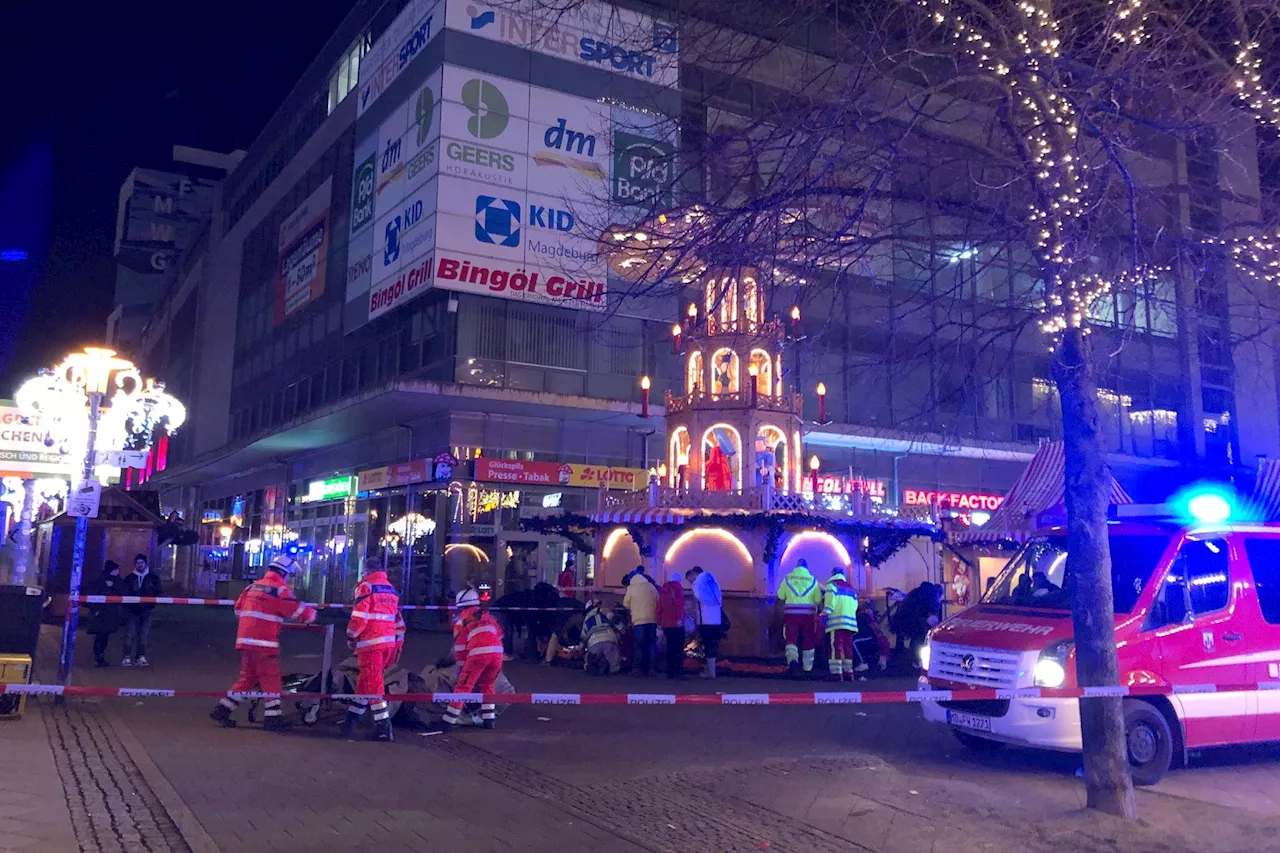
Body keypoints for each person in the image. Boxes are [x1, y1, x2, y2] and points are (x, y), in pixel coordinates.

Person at [210, 554, 317, 730]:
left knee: (248, 677)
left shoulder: (252, 587)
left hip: (245, 640)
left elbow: (238, 609)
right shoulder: (280, 590)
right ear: (284, 573)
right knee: (271, 679)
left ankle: (223, 709)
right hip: (264, 643)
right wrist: (313, 615)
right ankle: (273, 718)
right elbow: (302, 613)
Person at [340, 558, 402, 741]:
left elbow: (360, 616)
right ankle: (351, 720)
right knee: (366, 682)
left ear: (366, 571)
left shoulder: (366, 587)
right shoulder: (390, 588)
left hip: (370, 643)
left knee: (374, 685)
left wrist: (351, 635)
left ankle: (383, 727)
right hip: (387, 643)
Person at [442, 588, 504, 730]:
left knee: (463, 687)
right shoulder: (490, 618)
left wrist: (462, 669)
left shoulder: (462, 622)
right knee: (487, 685)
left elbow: (460, 649)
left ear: (460, 606)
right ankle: (489, 720)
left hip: (478, 655)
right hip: (497, 654)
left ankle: (448, 721)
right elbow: (499, 637)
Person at [775, 558, 822, 677]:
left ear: (796, 566)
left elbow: (780, 595)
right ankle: (807, 668)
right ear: (806, 568)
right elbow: (817, 600)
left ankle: (793, 662)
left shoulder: (788, 578)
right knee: (808, 639)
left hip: (791, 613)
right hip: (809, 614)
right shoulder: (813, 580)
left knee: (791, 638)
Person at [121, 554, 161, 667]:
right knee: (130, 633)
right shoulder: (130, 578)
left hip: (147, 610)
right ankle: (127, 657)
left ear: (145, 564)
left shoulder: (153, 578)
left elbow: (158, 590)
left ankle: (140, 656)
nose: (139, 565)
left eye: (141, 563)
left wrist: (148, 596)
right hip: (132, 610)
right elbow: (125, 591)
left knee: (143, 634)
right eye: (137, 563)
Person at [88, 560, 127, 667]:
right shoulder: (100, 581)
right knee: (100, 635)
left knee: (104, 636)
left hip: (110, 613)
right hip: (101, 613)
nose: (117, 571)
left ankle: (100, 656)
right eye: (116, 570)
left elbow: (124, 591)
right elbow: (94, 593)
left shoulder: (117, 581)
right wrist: (95, 609)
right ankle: (98, 657)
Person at [686, 566, 723, 679]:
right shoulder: (713, 580)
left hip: (706, 620)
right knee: (712, 645)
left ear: (693, 574)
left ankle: (710, 673)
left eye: (690, 579)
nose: (691, 582)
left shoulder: (698, 582)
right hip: (716, 619)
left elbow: (699, 597)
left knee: (708, 645)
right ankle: (712, 671)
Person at [823, 568, 859, 681]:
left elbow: (829, 605)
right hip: (850, 624)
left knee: (836, 647)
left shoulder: (832, 586)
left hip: (836, 623)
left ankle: (836, 674)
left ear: (832, 574)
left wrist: (823, 615)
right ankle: (849, 672)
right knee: (848, 648)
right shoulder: (851, 589)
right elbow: (855, 606)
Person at [623, 567, 659, 675]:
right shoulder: (650, 586)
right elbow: (657, 599)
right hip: (652, 620)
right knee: (651, 644)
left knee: (638, 645)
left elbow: (625, 603)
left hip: (638, 621)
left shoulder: (631, 588)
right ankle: (652, 669)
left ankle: (637, 669)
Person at [657, 570, 687, 679]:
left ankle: (669, 671)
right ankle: (678, 671)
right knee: (678, 648)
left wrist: (659, 622)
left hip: (666, 624)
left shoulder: (663, 590)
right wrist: (680, 619)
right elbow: (679, 605)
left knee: (669, 647)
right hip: (676, 623)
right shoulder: (677, 588)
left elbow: (659, 608)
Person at [582, 598, 622, 675]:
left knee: (589, 662)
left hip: (594, 643)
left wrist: (581, 649)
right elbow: (620, 626)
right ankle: (611, 666)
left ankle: (593, 667)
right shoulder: (607, 612)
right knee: (615, 666)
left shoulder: (587, 617)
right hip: (609, 640)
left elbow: (583, 636)